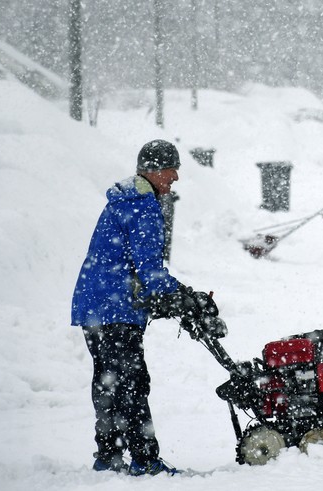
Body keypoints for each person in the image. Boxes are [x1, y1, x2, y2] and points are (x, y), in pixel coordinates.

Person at [71, 139, 218, 476]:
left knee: (109, 381)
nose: (177, 177)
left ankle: (108, 455)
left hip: (93, 304)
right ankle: (144, 459)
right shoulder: (143, 205)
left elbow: (135, 268)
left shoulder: (122, 201)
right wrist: (188, 296)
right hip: (115, 308)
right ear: (154, 170)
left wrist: (172, 295)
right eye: (173, 169)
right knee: (133, 381)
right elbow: (149, 270)